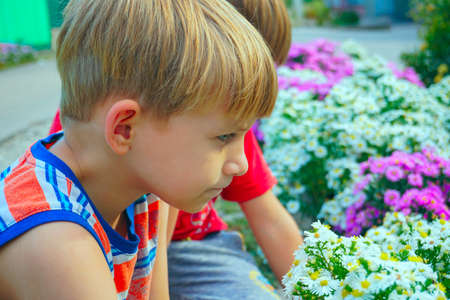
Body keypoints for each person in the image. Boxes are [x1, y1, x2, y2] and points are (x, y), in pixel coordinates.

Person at [0, 1, 278, 299]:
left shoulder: (143, 187)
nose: (242, 164)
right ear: (124, 129)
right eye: (224, 137)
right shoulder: (55, 243)